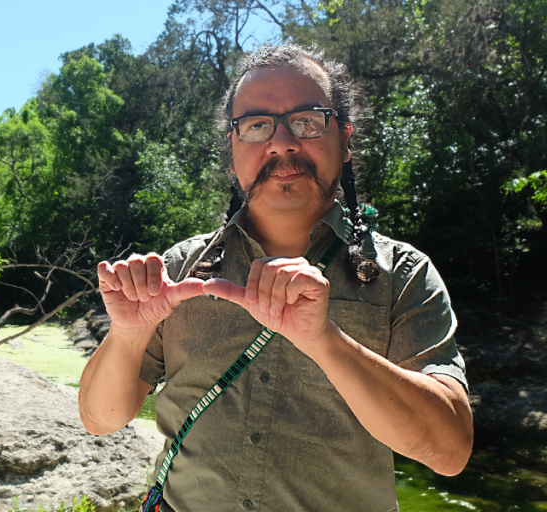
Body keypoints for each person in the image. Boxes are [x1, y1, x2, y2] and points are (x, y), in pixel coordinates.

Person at [77, 44, 473, 511]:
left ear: (345, 140)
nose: (282, 142)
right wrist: (127, 333)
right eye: (257, 125)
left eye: (307, 120)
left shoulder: (403, 276)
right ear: (231, 150)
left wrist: (325, 340)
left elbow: (449, 452)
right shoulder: (180, 269)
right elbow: (100, 419)